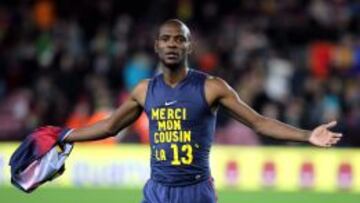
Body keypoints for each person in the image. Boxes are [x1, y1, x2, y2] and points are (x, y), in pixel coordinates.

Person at [62, 19, 342, 203]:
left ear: (189, 46)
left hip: (196, 192)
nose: (172, 43)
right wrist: (64, 136)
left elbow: (258, 123)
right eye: (166, 38)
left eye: (179, 39)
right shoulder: (144, 90)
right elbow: (110, 126)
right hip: (156, 191)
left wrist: (308, 136)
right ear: (157, 46)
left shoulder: (211, 87)